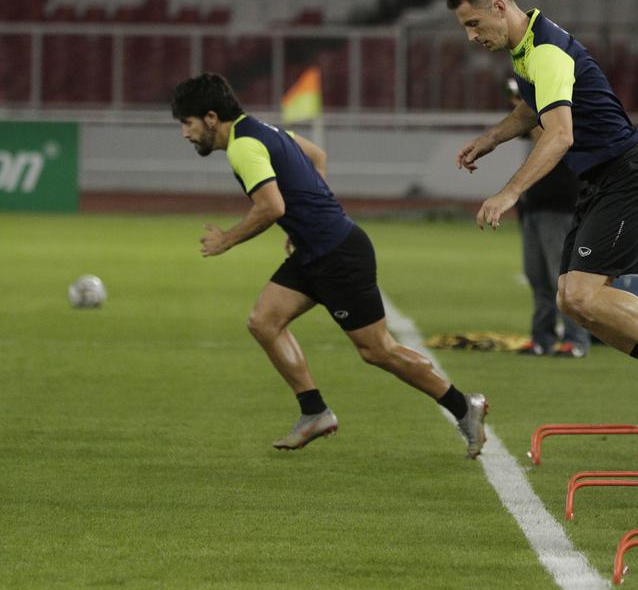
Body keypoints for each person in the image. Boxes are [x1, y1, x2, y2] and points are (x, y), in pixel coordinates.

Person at [446, 0, 638, 433]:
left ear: (499, 7)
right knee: (571, 301)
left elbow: (559, 135)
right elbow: (532, 107)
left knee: (580, 294)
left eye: (474, 24)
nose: (472, 36)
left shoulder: (546, 52)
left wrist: (509, 192)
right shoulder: (528, 48)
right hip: (602, 182)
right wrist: (491, 138)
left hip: (627, 177)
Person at [170, 73, 488, 457]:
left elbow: (271, 207)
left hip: (338, 255)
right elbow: (317, 156)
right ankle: (314, 412)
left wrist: (227, 239)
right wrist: (313, 212)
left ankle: (463, 406)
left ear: (210, 117)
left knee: (377, 350)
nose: (185, 134)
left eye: (187, 123)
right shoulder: (265, 130)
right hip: (314, 251)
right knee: (264, 321)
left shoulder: (243, 147)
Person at [507, 79, 590, 358]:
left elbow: (547, 140)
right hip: (535, 206)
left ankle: (576, 339)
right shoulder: (544, 115)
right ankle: (542, 337)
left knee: (561, 277)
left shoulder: (563, 117)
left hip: (559, 206)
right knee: (537, 277)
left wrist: (528, 111)